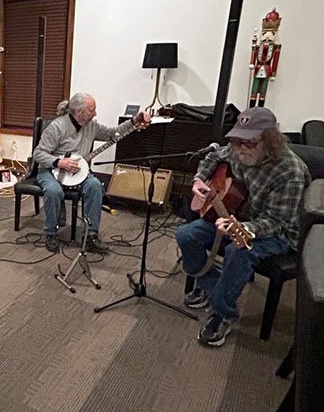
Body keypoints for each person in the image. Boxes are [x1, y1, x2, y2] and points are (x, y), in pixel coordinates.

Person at [176, 107, 310, 347]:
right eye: (237, 142)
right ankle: (215, 287)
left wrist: (242, 227)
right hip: (235, 215)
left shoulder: (290, 171)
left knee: (237, 251)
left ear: (270, 140)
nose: (240, 149)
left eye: (249, 143)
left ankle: (223, 313)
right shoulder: (239, 148)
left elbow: (278, 222)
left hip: (277, 233)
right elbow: (215, 155)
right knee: (185, 235)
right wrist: (199, 179)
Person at [32, 93, 150, 253]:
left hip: (79, 172)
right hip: (51, 169)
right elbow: (38, 153)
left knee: (95, 185)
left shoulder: (92, 126)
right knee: (53, 191)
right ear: (78, 112)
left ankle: (90, 236)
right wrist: (60, 162)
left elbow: (113, 133)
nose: (95, 114)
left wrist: (134, 121)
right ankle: (51, 232)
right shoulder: (56, 127)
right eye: (91, 110)